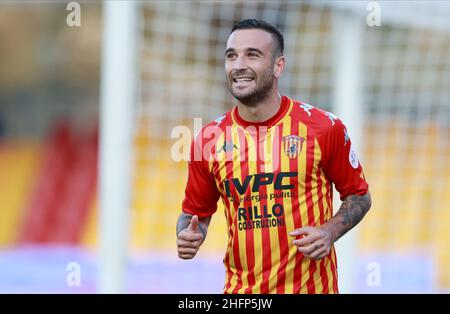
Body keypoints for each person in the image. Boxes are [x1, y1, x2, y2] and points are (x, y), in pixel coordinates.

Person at [176, 18, 371, 294]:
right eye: (231, 56)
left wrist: (330, 231)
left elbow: (360, 196)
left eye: (252, 55)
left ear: (279, 66)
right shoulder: (208, 139)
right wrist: (188, 233)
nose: (239, 65)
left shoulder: (324, 128)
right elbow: (194, 213)